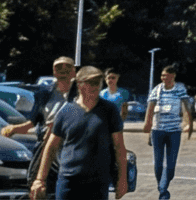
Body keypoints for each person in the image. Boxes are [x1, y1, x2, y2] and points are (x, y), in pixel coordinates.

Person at [29, 65, 128, 200]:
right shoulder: (66, 112)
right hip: (68, 181)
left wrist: (122, 179)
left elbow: (119, 147)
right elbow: (51, 147)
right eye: (91, 82)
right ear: (79, 84)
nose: (95, 86)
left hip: (97, 182)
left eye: (98, 82)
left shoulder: (109, 111)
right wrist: (40, 179)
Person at [144, 67, 192, 200]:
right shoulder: (157, 90)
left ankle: (162, 188)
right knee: (158, 163)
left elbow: (187, 106)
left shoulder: (180, 89)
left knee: (170, 165)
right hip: (157, 130)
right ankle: (163, 190)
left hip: (174, 131)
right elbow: (150, 107)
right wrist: (147, 124)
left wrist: (189, 123)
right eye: (162, 75)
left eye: (167, 75)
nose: (164, 78)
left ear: (173, 76)